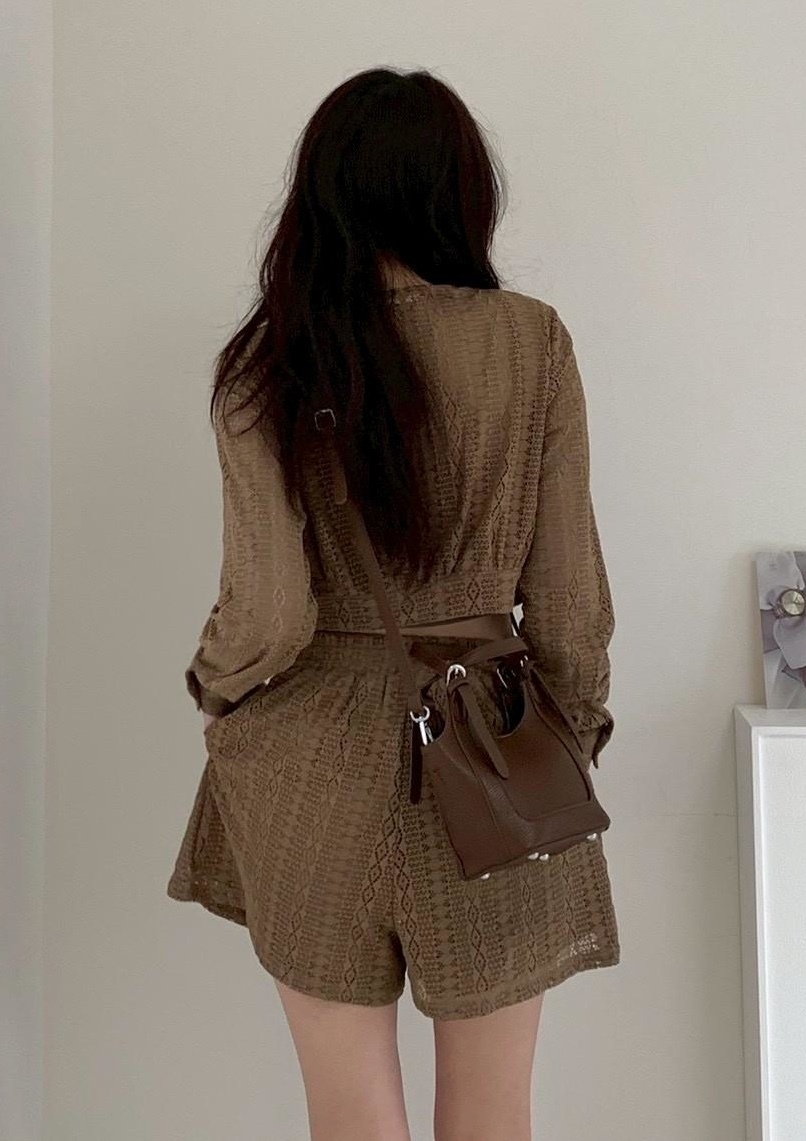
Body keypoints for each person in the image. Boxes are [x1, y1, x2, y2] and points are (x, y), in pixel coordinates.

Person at [167, 65, 619, 1141]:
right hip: (491, 738)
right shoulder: (532, 341)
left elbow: (269, 615)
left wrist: (216, 693)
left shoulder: (267, 359)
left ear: (320, 195)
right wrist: (568, 728)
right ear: (460, 193)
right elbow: (567, 601)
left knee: (348, 1116)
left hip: (312, 763)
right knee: (494, 1115)